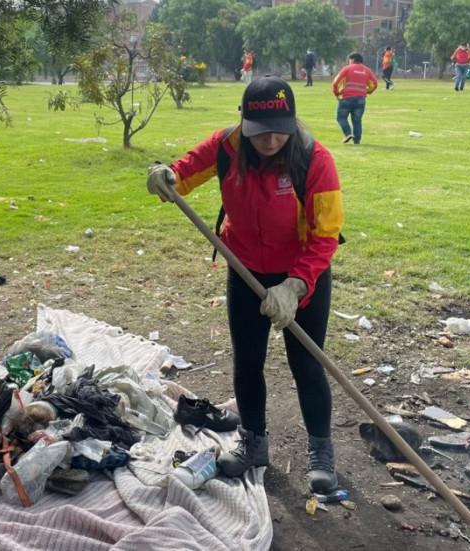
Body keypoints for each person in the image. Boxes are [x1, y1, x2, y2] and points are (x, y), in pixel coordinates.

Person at [146, 76, 345, 493]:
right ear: (243, 123)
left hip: (301, 274)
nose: (270, 141)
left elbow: (326, 235)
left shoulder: (314, 158)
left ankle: (321, 451)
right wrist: (166, 176)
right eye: (259, 133)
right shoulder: (226, 147)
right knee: (248, 360)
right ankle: (254, 443)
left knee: (307, 364)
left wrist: (295, 286)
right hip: (246, 269)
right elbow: (183, 172)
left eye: (279, 131)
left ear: (292, 122)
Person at [332, 52, 378, 145]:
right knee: (357, 120)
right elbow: (375, 83)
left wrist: (337, 93)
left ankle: (348, 133)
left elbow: (336, 82)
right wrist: (368, 91)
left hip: (347, 98)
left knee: (341, 117)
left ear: (352, 60)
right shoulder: (367, 70)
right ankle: (357, 140)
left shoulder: (347, 69)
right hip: (361, 99)